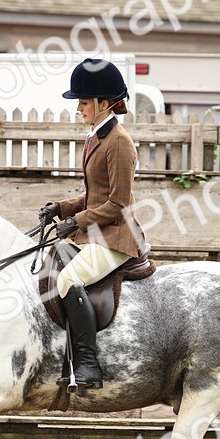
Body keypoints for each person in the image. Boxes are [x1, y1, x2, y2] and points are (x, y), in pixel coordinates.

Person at [37, 58, 146, 390]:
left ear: (103, 103)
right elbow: (96, 193)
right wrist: (62, 208)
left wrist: (76, 220)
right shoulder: (97, 137)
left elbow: (119, 202)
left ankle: (87, 363)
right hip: (96, 232)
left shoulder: (119, 142)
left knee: (68, 279)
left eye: (83, 102)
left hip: (116, 237)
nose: (78, 108)